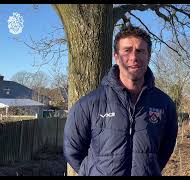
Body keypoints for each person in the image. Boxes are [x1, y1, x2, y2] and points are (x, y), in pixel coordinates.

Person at [63, 24, 178, 176]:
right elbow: (72, 149)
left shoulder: (164, 104)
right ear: (116, 57)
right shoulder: (89, 104)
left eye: (140, 51)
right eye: (127, 50)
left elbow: (166, 149)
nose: (133, 57)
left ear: (148, 56)